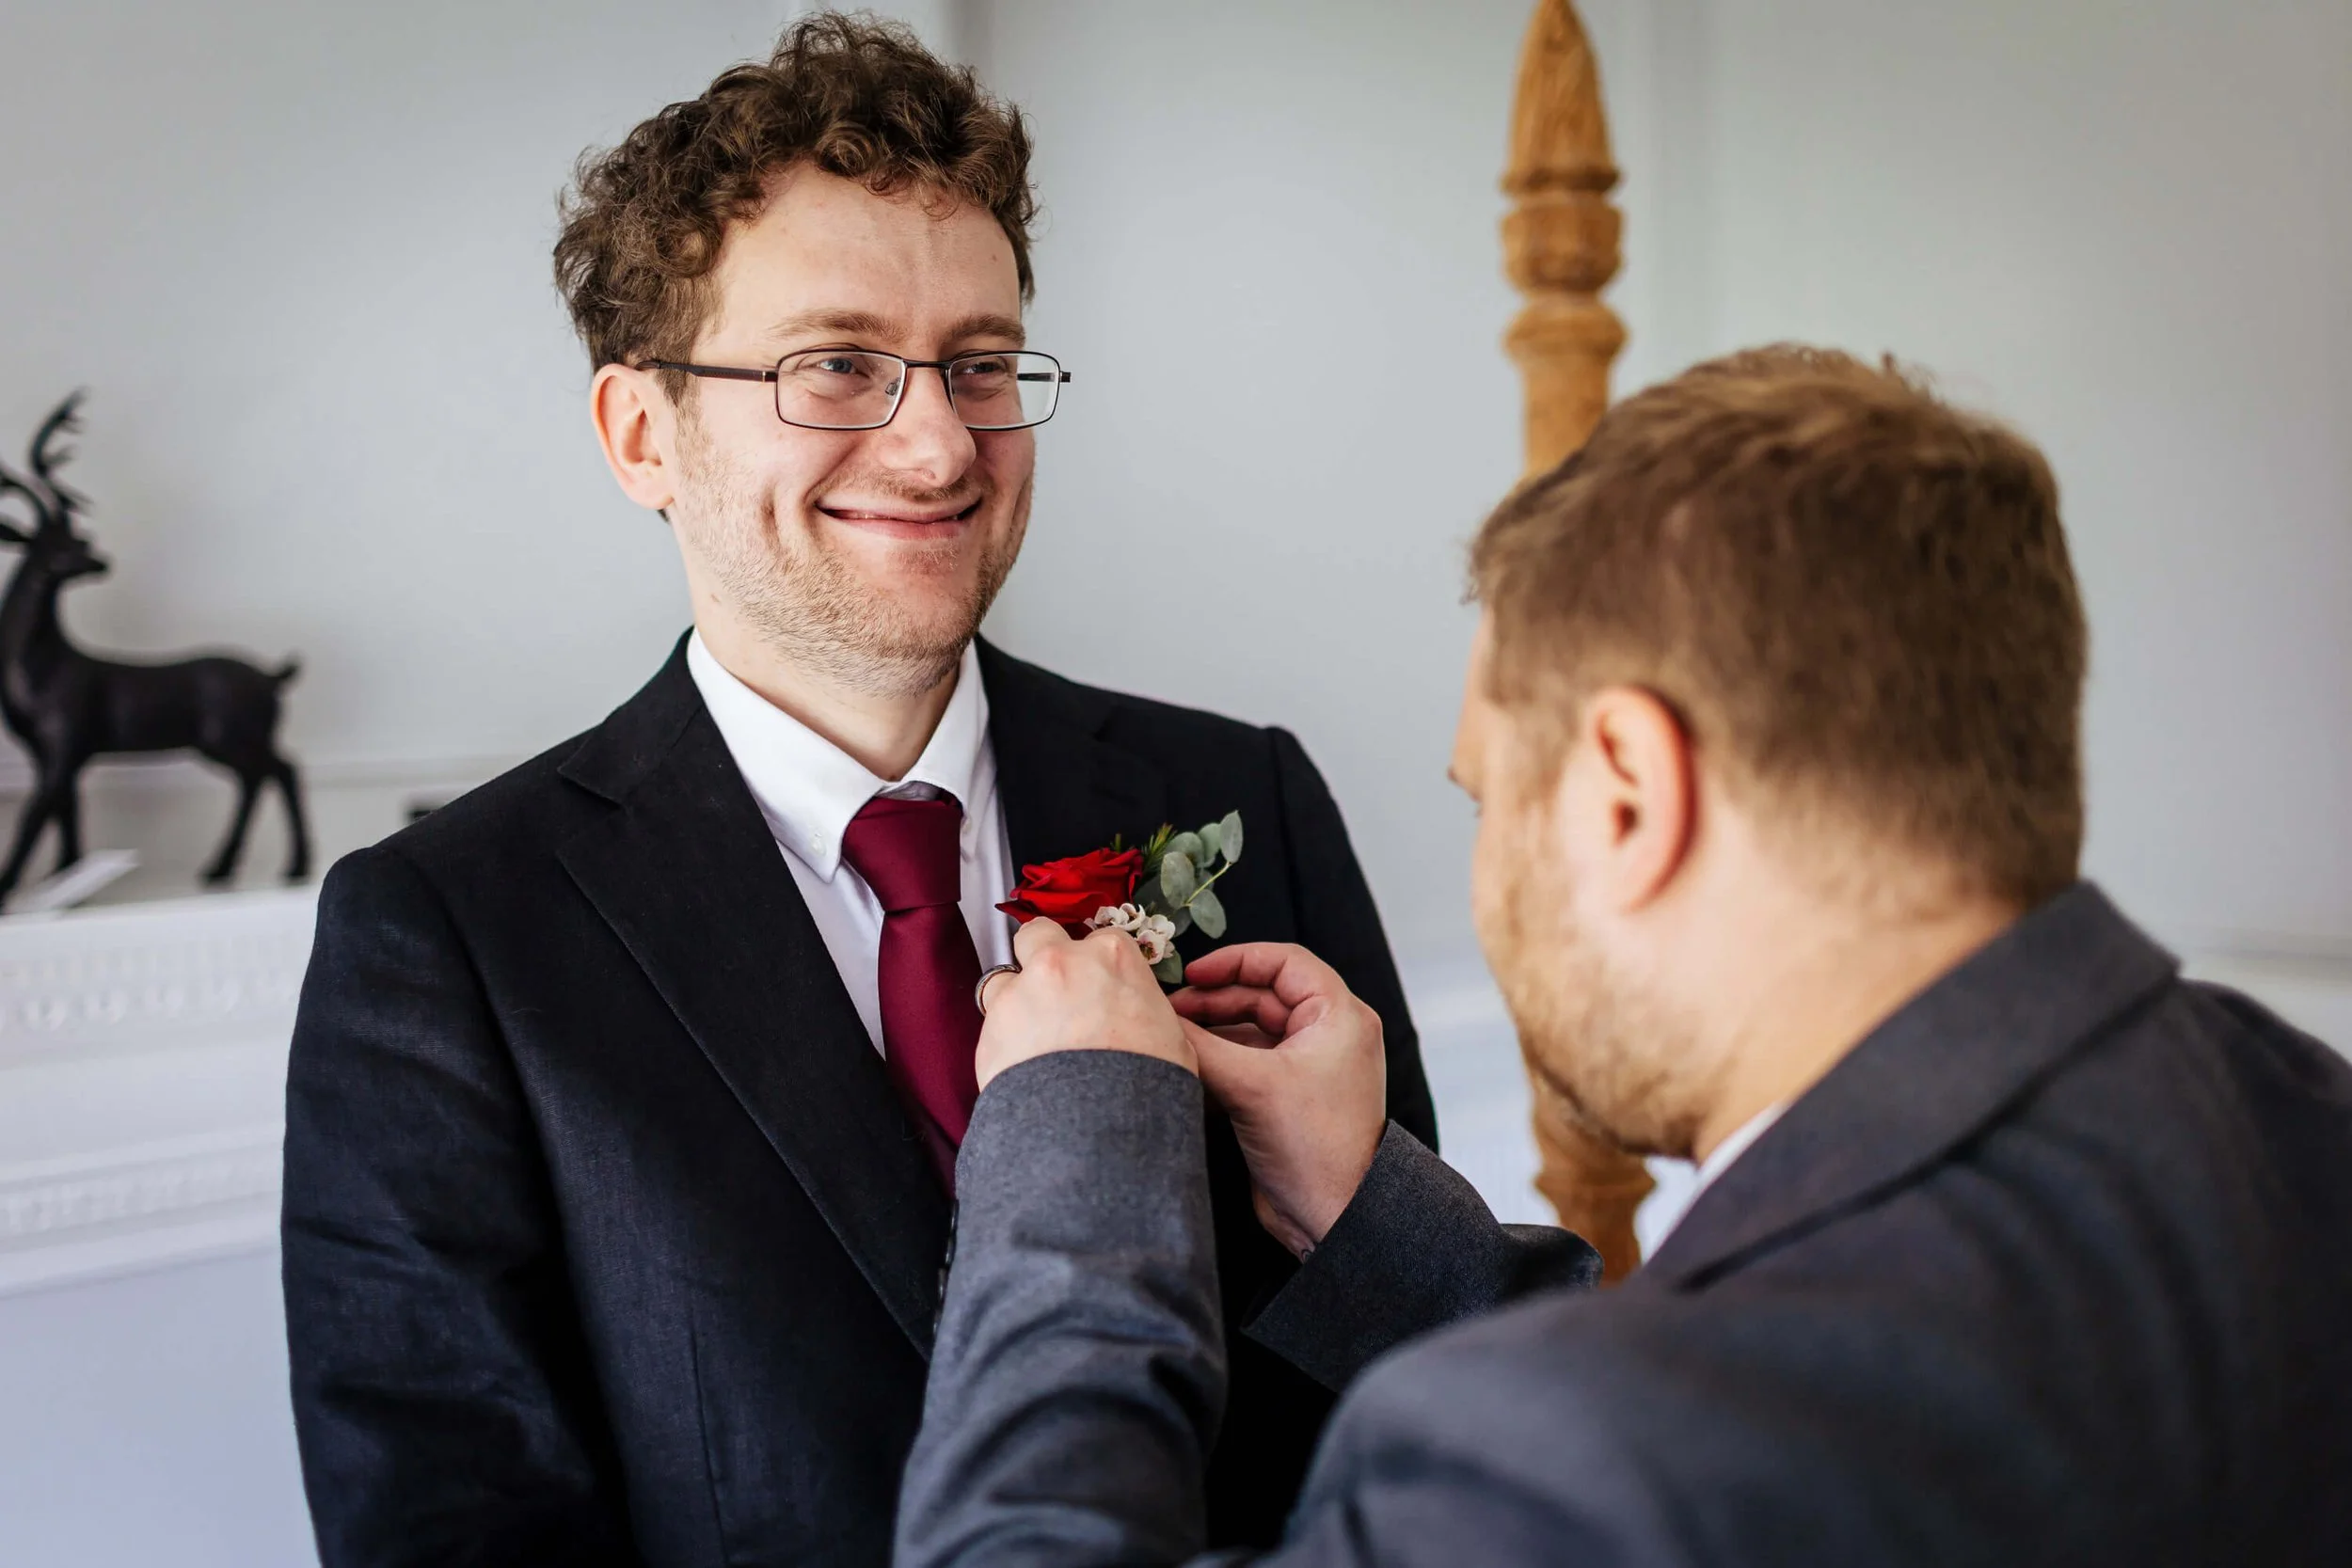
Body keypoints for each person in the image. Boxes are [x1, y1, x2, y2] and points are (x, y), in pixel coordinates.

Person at [279, 17, 1435, 1567]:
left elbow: (1430, 1425)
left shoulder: (1243, 797)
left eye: (979, 362)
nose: (942, 443)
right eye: (837, 365)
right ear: (642, 434)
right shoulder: (446, 938)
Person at [893, 346, 2352, 1566]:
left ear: (1631, 794)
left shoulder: (1591, 1469)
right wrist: (1373, 1223)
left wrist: (1079, 1146)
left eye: (1490, 799)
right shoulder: (2297, 1117)